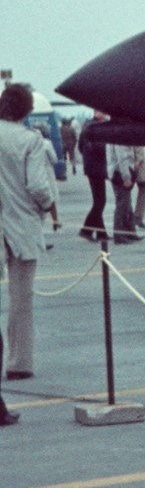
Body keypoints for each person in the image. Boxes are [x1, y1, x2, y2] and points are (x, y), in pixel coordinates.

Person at [0, 84, 61, 388]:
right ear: (26, 110)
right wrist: (49, 205)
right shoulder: (30, 141)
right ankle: (19, 363)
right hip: (21, 227)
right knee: (21, 298)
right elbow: (38, 186)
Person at [79, 114, 110, 241]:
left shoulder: (88, 126)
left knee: (99, 201)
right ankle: (86, 230)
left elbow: (80, 146)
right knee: (100, 201)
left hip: (92, 168)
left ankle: (101, 233)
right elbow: (100, 148)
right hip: (96, 169)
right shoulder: (95, 127)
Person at [107, 143, 140, 242]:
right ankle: (119, 235)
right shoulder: (118, 138)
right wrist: (126, 177)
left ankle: (130, 232)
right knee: (122, 204)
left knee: (127, 204)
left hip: (121, 171)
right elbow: (122, 159)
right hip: (120, 173)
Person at [132, 145, 145, 231]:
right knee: (144, 185)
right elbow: (139, 150)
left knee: (143, 186)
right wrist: (140, 161)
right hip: (138, 164)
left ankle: (137, 216)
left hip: (134, 161)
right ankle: (137, 217)